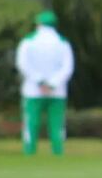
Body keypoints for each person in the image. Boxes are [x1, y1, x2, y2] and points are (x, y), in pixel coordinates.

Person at [16, 11, 73, 156]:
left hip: (33, 91)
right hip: (57, 91)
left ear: (39, 24)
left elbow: (23, 64)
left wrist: (39, 81)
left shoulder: (27, 41)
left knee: (31, 123)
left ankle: (29, 152)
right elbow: (67, 67)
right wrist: (52, 84)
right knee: (56, 125)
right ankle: (58, 152)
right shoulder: (63, 43)